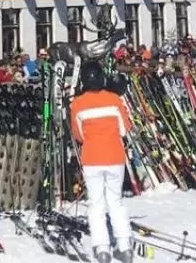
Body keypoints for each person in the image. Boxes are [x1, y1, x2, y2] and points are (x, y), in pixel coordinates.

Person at [69, 60, 132, 263]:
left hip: (92, 158)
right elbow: (124, 129)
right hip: (114, 156)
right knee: (116, 201)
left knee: (96, 204)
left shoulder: (77, 104)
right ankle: (124, 246)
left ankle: (102, 248)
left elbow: (78, 135)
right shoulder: (114, 99)